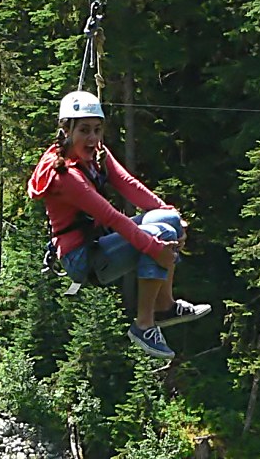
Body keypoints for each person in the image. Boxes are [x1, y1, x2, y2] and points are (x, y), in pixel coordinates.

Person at [28, 91, 211, 359]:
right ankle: (144, 325)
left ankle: (165, 305)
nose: (92, 138)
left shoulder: (97, 155)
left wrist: (169, 210)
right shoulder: (65, 176)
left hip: (98, 245)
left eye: (97, 130)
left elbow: (128, 184)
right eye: (84, 130)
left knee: (168, 220)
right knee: (159, 234)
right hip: (81, 258)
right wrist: (156, 249)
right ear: (66, 130)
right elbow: (112, 217)